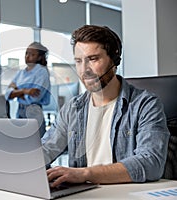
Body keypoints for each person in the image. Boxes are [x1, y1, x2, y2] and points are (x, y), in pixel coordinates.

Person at [42, 25, 170, 187]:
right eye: (79, 61)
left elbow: (151, 163)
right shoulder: (73, 108)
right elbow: (47, 148)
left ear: (114, 61)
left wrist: (85, 173)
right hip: (83, 195)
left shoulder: (145, 105)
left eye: (93, 59)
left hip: (124, 194)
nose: (84, 70)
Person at [5, 42, 51, 137]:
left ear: (39, 57)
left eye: (32, 54)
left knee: (35, 145)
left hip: (34, 111)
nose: (27, 56)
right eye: (26, 53)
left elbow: (34, 98)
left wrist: (16, 90)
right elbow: (7, 94)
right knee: (20, 144)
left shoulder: (42, 72)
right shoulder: (21, 72)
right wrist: (25, 91)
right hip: (20, 111)